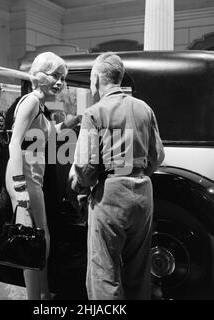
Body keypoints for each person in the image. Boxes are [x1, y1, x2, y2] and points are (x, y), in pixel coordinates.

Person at [69, 52, 165, 300]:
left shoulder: (94, 113)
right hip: (144, 193)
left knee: (104, 273)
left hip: (110, 196)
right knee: (138, 272)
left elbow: (86, 168)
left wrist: (81, 187)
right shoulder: (144, 108)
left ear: (96, 79)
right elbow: (158, 156)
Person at [5, 52, 81, 300]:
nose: (59, 82)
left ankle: (44, 294)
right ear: (39, 76)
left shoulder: (40, 105)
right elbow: (14, 145)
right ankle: (34, 299)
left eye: (62, 77)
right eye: (54, 75)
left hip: (33, 178)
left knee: (41, 238)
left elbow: (45, 135)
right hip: (24, 177)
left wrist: (71, 123)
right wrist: (19, 187)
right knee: (33, 241)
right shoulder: (30, 102)